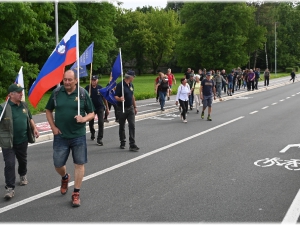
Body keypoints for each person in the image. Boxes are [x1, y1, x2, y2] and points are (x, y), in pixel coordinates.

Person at [45, 70, 95, 207]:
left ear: (76, 80)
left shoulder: (83, 94)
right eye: (65, 79)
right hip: (60, 136)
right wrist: (53, 127)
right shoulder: (56, 93)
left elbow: (92, 113)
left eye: (69, 80)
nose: (67, 82)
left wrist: (84, 118)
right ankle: (65, 177)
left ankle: (76, 193)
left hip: (78, 135)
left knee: (79, 164)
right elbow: (48, 110)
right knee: (58, 164)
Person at [0, 84, 39, 199]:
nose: (21, 93)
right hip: (8, 142)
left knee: (22, 160)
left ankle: (22, 174)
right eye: (18, 92)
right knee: (10, 164)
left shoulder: (24, 105)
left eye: (21, 91)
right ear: (11, 94)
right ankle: (10, 188)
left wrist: (35, 128)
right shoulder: (3, 107)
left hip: (22, 140)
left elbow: (30, 118)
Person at [114, 70, 139, 151]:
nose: (134, 78)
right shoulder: (120, 85)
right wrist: (120, 98)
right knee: (122, 126)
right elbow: (115, 96)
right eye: (133, 77)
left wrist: (135, 107)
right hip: (122, 108)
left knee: (132, 125)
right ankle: (122, 141)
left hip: (130, 108)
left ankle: (132, 144)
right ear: (130, 77)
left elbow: (132, 96)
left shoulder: (131, 85)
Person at [85, 75, 109, 146]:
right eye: (92, 80)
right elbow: (84, 97)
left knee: (101, 122)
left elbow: (104, 98)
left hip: (100, 107)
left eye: (95, 80)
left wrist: (107, 107)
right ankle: (92, 132)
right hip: (91, 108)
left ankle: (99, 139)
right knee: (91, 123)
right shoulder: (88, 88)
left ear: (97, 80)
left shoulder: (100, 88)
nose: (93, 81)